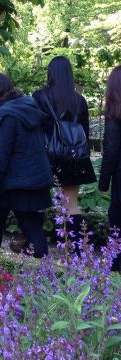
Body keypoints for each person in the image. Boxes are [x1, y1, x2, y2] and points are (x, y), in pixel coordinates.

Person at [0, 73, 53, 258]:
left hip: (8, 182)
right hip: (31, 180)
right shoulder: (26, 107)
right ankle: (44, 272)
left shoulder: (4, 115)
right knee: (33, 232)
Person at [32, 56, 95, 246]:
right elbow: (85, 133)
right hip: (72, 157)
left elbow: (34, 128)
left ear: (50, 73)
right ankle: (76, 249)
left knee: (39, 203)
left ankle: (35, 246)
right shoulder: (79, 100)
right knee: (71, 204)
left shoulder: (39, 96)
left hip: (46, 156)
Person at [98, 66, 121, 271]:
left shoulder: (115, 113)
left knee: (117, 223)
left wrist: (103, 182)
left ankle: (115, 270)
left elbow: (111, 149)